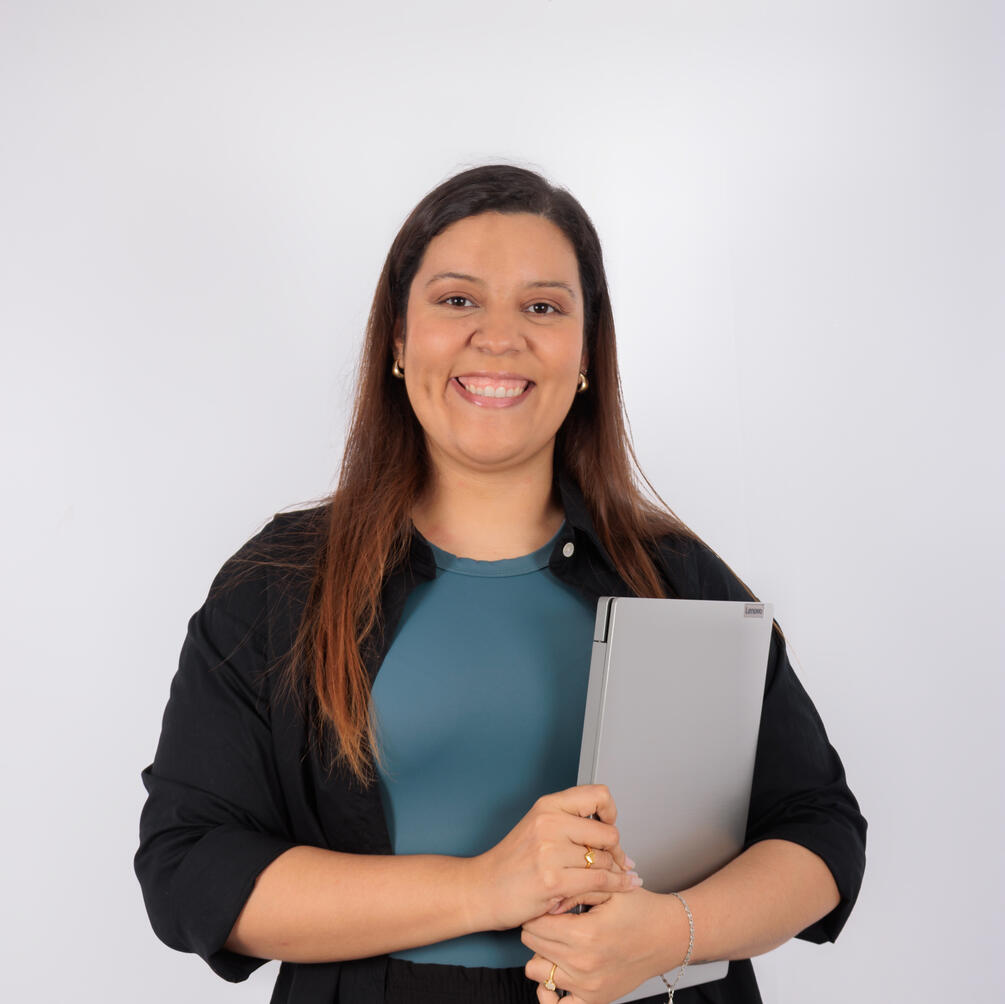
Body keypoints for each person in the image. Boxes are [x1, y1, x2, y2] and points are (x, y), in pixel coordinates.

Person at [134, 165, 866, 1004]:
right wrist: (488, 887)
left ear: (585, 354)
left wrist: (672, 932)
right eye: (457, 300)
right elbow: (189, 868)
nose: (499, 337)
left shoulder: (677, 577)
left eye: (543, 307)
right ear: (398, 341)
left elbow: (819, 829)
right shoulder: (281, 584)